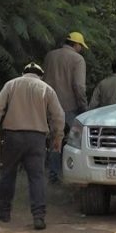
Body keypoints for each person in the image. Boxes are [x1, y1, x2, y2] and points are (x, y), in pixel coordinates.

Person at [0, 62, 65, 230]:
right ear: (40, 74)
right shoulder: (46, 89)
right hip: (36, 138)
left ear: (23, 72)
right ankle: (39, 217)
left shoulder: (11, 84)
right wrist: (57, 136)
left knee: (7, 173)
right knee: (36, 177)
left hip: (13, 136)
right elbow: (58, 115)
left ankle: (4, 213)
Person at [43, 31, 89, 183]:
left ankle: (53, 174)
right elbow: (79, 86)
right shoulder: (78, 60)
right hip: (70, 106)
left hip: (49, 105)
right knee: (76, 140)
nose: (81, 49)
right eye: (80, 46)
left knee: (54, 138)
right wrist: (83, 107)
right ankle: (73, 172)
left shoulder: (50, 56)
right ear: (75, 44)